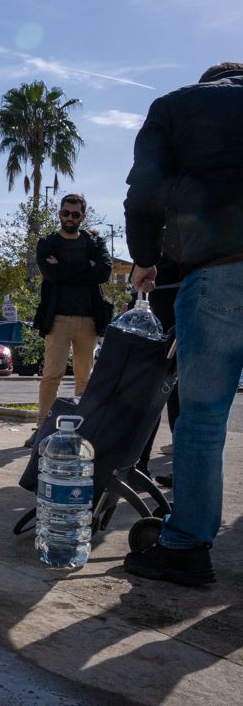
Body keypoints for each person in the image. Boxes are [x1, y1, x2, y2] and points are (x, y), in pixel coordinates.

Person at [123, 61, 243, 587]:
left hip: (218, 271)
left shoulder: (175, 106)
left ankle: (186, 547)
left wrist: (145, 258)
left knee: (202, 418)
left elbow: (144, 192)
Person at [32, 194, 113, 426]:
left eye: (75, 214)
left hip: (89, 320)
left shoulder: (95, 243)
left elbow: (104, 273)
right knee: (51, 376)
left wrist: (65, 268)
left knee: (85, 379)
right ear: (59, 213)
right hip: (57, 319)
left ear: (83, 217)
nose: (69, 217)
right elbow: (51, 275)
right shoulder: (47, 243)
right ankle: (42, 428)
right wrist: (87, 267)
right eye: (65, 213)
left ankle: (80, 426)